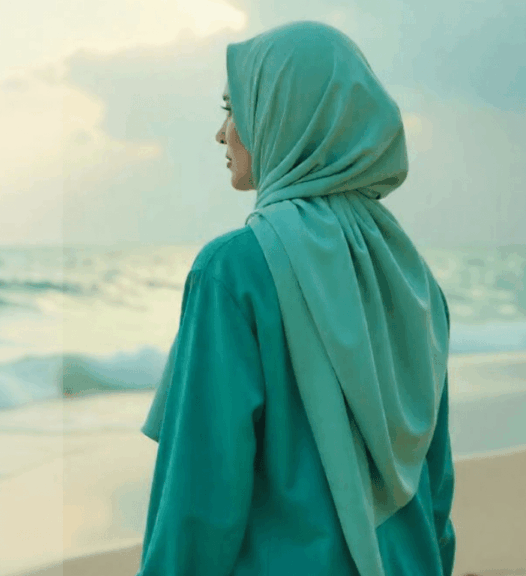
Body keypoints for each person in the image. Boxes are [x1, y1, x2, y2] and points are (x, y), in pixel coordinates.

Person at [136, 21, 455, 576]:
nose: (223, 134)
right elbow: (433, 485)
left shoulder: (233, 270)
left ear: (285, 113)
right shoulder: (414, 278)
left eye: (234, 109)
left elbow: (200, 497)